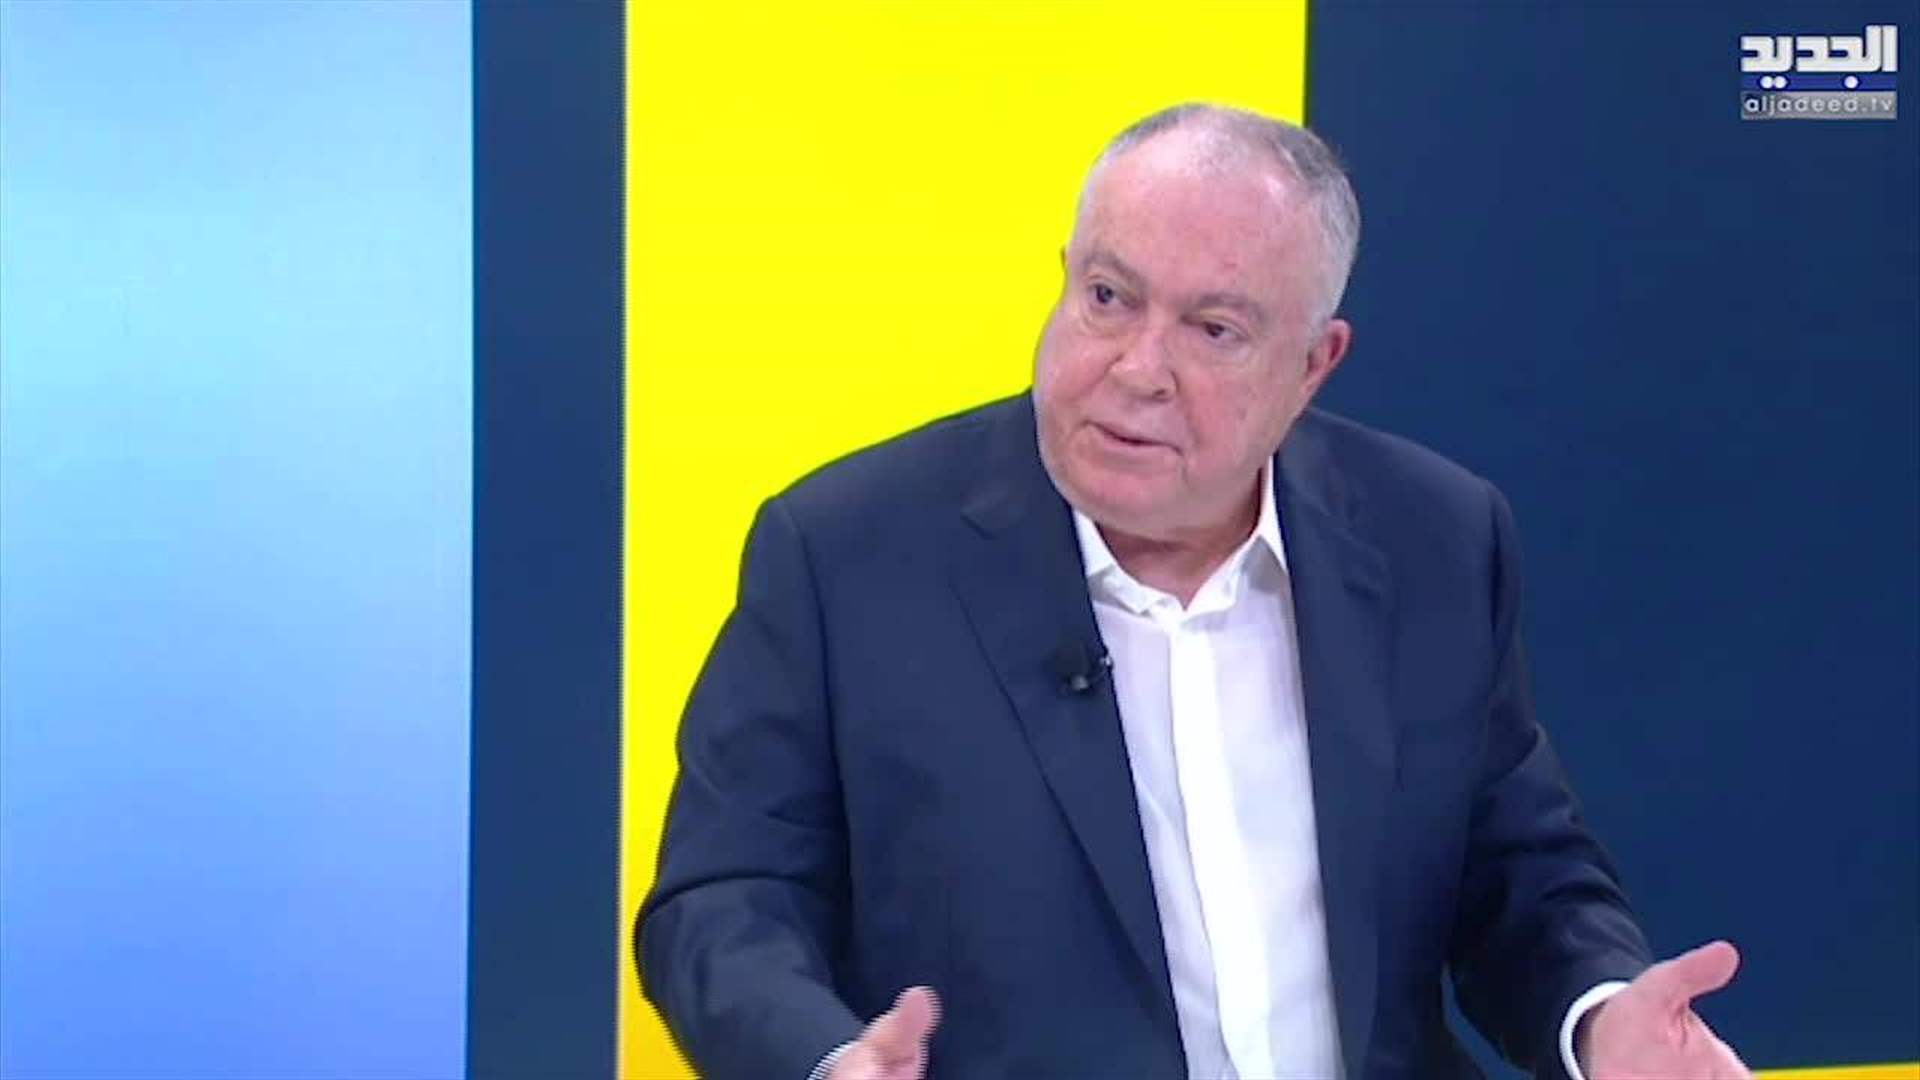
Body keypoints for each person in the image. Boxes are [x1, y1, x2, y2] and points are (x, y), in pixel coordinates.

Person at [636, 104, 1751, 1080]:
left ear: (1313, 364)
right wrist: (825, 1057)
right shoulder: (849, 553)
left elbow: (1520, 876)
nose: (1137, 369)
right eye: (1108, 297)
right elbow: (722, 901)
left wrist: (1600, 1018)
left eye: (1213, 330)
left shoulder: (1435, 537)